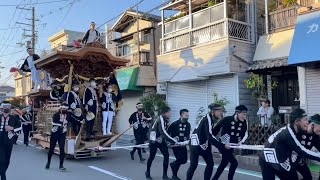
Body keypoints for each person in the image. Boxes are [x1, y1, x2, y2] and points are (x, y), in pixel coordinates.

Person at [259, 108, 320, 180]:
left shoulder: (297, 130)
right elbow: (301, 150)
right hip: (268, 159)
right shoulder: (288, 133)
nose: (307, 122)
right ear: (297, 122)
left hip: (286, 159)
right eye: (305, 119)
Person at [186, 103, 227, 180]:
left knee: (206, 164)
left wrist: (219, 125)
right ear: (212, 112)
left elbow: (210, 133)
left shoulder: (210, 119)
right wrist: (221, 146)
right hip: (197, 145)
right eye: (219, 111)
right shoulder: (207, 119)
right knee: (196, 165)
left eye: (221, 111)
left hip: (200, 144)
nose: (221, 113)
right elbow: (210, 136)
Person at [212, 105, 249, 180]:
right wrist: (225, 143)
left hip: (232, 145)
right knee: (234, 163)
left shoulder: (245, 122)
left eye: (245, 114)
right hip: (223, 145)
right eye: (243, 114)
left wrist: (241, 142)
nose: (244, 116)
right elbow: (215, 131)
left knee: (223, 164)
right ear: (237, 113)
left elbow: (246, 133)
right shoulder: (227, 119)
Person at [146, 106, 178, 180]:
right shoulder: (160, 119)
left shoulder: (165, 119)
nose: (169, 114)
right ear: (163, 113)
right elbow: (163, 132)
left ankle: (164, 175)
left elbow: (166, 131)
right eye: (168, 112)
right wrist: (172, 140)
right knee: (152, 156)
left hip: (161, 140)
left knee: (166, 156)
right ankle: (147, 172)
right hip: (153, 140)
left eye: (169, 112)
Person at [168, 109, 191, 180]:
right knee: (179, 159)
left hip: (183, 144)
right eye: (185, 115)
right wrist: (170, 141)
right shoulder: (174, 124)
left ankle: (173, 165)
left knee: (184, 160)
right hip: (176, 145)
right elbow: (167, 133)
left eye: (188, 115)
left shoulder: (188, 124)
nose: (187, 117)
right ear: (181, 115)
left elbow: (187, 135)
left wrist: (187, 142)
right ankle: (174, 175)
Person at [45, 103, 70, 171]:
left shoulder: (68, 115)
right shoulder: (56, 115)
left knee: (62, 148)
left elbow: (73, 120)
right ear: (61, 108)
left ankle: (61, 165)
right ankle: (48, 162)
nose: (65, 110)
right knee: (51, 148)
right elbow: (53, 122)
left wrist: (80, 120)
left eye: (66, 109)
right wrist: (61, 123)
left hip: (62, 133)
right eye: (64, 109)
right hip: (55, 132)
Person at [0, 103, 21, 180]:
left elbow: (20, 127)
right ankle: (3, 177)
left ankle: (2, 172)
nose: (7, 108)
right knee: (1, 160)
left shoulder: (14, 118)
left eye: (8, 107)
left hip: (9, 141)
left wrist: (12, 128)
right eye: (5, 107)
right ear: (1, 108)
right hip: (0, 141)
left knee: (7, 160)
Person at [295, 114, 320, 180]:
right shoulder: (299, 131)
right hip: (288, 159)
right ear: (312, 125)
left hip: (300, 160)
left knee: (308, 177)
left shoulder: (316, 137)